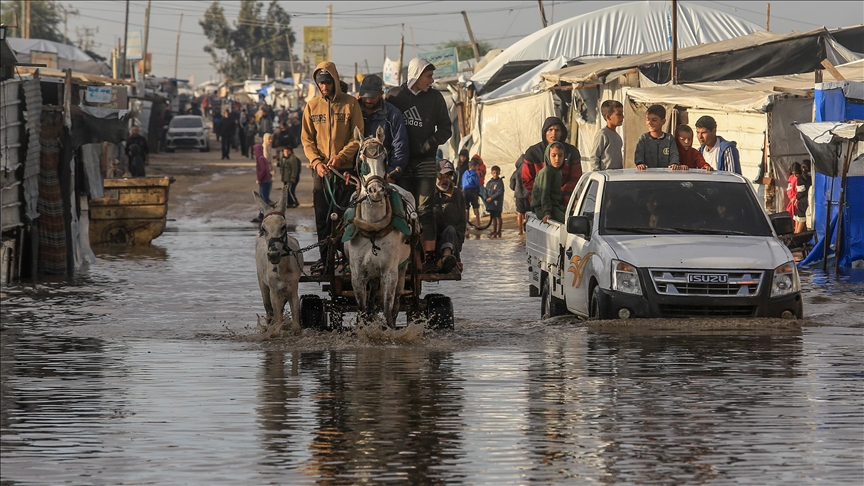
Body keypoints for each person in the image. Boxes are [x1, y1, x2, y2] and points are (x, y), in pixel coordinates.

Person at [386, 57, 453, 273]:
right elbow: (384, 120)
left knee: (425, 210)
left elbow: (445, 128)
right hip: (401, 162)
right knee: (404, 208)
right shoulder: (395, 96)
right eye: (428, 76)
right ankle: (406, 257)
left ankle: (430, 259)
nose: (431, 81)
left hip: (425, 161)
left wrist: (429, 144)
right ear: (416, 75)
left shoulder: (435, 98)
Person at [301, 61, 364, 276]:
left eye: (328, 82)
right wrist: (317, 162)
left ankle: (347, 260)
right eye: (321, 83)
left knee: (347, 216)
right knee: (322, 216)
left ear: (335, 81)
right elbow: (307, 139)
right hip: (321, 171)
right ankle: (325, 259)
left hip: (345, 170)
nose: (324, 87)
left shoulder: (350, 105)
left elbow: (357, 138)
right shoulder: (311, 106)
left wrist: (341, 157)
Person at [358, 74, 409, 179]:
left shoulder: (393, 115)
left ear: (381, 94)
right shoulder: (353, 110)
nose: (368, 100)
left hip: (385, 173)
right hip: (357, 172)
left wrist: (391, 174)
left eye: (372, 97)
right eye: (365, 96)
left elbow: (400, 146)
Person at [521, 117, 582, 205]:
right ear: (544, 132)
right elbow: (527, 179)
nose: (553, 133)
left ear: (562, 133)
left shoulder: (571, 152)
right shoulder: (533, 153)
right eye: (550, 130)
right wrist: (544, 192)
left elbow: (576, 177)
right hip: (539, 202)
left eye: (557, 130)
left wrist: (559, 193)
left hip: (564, 201)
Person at [432, 159, 466, 274]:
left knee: (451, 230)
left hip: (451, 243)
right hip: (431, 242)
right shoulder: (428, 194)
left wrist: (457, 253)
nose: (446, 180)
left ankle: (447, 258)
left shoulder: (457, 195)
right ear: (436, 175)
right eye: (443, 176)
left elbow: (462, 224)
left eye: (449, 176)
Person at [634, 104, 679, 170]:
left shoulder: (669, 139)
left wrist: (674, 163)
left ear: (663, 122)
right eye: (648, 119)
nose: (650, 123)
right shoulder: (644, 139)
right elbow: (639, 154)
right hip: (647, 176)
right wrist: (640, 164)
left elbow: (674, 154)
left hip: (666, 176)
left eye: (654, 120)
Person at [532, 142, 567, 224]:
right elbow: (545, 194)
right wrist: (547, 212)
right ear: (548, 156)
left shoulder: (558, 172)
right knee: (568, 221)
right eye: (553, 155)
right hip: (543, 208)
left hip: (555, 206)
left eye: (560, 155)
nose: (557, 159)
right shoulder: (546, 172)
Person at [589, 100, 624, 171]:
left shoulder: (617, 136)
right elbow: (594, 157)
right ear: (608, 117)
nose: (623, 117)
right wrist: (598, 174)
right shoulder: (603, 134)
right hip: (606, 175)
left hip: (617, 175)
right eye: (619, 114)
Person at [252, 142, 273, 223]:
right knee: (263, 200)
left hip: (264, 181)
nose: (254, 152)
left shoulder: (260, 159)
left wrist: (259, 179)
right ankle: (261, 216)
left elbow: (263, 170)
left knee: (264, 200)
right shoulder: (262, 158)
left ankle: (272, 213)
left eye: (254, 150)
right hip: (266, 181)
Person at [510, 154, 530, 236]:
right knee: (528, 213)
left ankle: (520, 231)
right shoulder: (528, 170)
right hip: (528, 194)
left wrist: (516, 189)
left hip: (518, 195)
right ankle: (528, 230)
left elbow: (511, 184)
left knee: (519, 212)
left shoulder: (516, 172)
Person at [485, 165, 505, 238]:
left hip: (497, 203)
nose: (495, 175)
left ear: (499, 173)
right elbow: (486, 190)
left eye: (497, 173)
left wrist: (492, 198)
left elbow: (500, 192)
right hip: (491, 204)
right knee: (493, 217)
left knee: (498, 216)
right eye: (494, 173)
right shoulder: (489, 183)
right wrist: (486, 198)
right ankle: (494, 230)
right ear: (491, 173)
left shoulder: (499, 182)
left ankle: (499, 230)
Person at [461, 157, 482, 228]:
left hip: (465, 191)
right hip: (473, 191)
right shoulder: (475, 174)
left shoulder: (465, 173)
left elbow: (463, 182)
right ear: (473, 166)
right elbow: (477, 183)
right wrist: (478, 191)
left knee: (466, 208)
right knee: (476, 207)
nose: (477, 168)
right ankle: (478, 224)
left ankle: (466, 224)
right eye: (477, 166)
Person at [794, 161, 811, 233]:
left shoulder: (800, 179)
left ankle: (796, 235)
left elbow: (801, 192)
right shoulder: (811, 178)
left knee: (800, 218)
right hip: (809, 199)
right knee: (800, 218)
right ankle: (796, 235)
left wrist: (797, 198)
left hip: (802, 200)